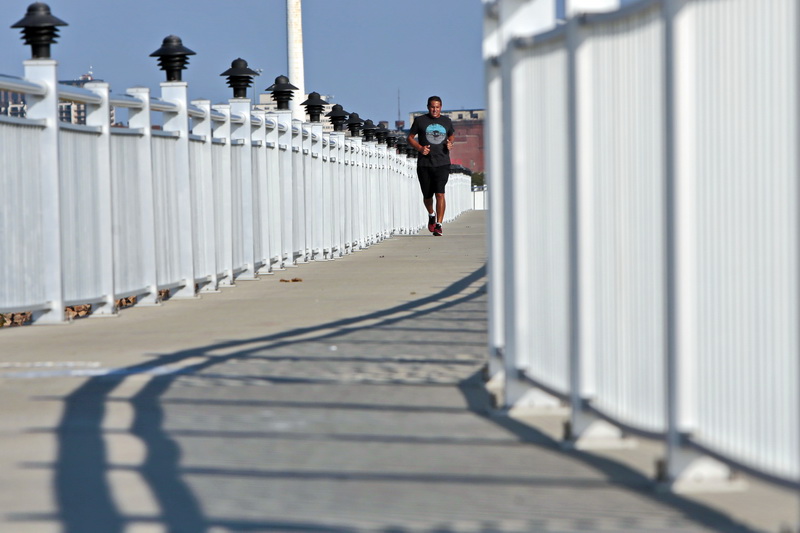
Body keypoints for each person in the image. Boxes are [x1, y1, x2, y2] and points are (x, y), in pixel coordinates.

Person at [407, 95, 455, 236]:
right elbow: (410, 137)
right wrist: (420, 148)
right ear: (428, 107)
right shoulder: (420, 121)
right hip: (424, 164)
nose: (435, 110)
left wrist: (450, 142)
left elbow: (451, 135)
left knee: (440, 193)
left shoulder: (446, 121)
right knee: (427, 196)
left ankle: (439, 225)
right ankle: (431, 214)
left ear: (441, 107)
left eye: (437, 107)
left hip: (442, 162)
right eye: (432, 107)